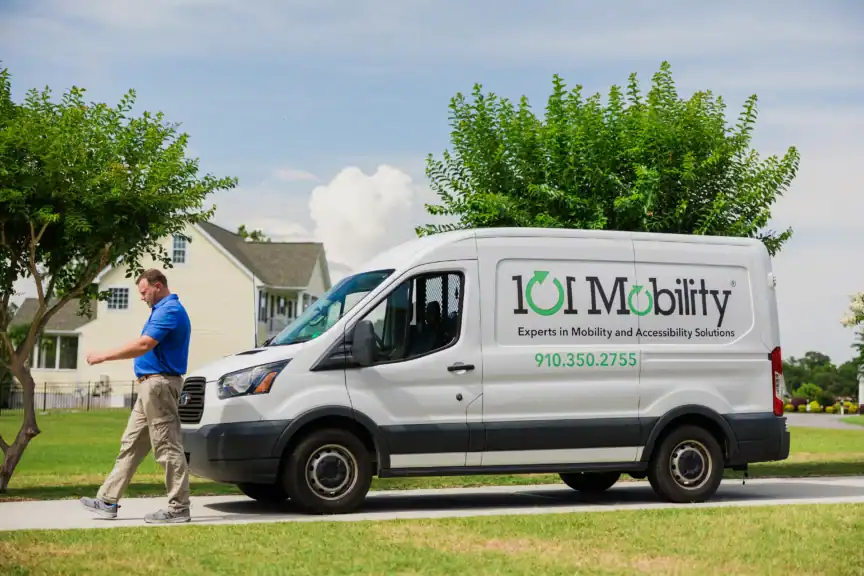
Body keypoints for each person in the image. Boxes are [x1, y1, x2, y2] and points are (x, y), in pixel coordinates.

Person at [79, 268, 193, 524]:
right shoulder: (160, 311)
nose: (142, 297)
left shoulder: (169, 311)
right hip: (149, 388)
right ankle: (108, 500)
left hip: (159, 386)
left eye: (144, 292)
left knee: (167, 446)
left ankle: (178, 509)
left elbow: (144, 345)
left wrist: (103, 356)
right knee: (131, 444)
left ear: (158, 286)